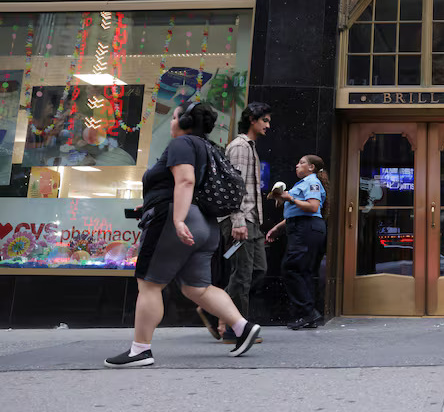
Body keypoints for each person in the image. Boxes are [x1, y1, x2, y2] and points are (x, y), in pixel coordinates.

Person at [105, 101, 260, 367]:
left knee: (150, 284)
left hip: (177, 222)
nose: (172, 122)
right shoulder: (211, 148)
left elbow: (185, 180)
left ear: (185, 121)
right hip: (205, 224)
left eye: (175, 117)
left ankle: (140, 350)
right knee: (196, 287)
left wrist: (177, 218)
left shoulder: (181, 144)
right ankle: (242, 327)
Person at [197, 103, 271, 344]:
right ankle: (234, 330)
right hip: (241, 220)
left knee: (258, 270)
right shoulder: (240, 147)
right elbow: (234, 185)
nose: (268, 125)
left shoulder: (250, 147)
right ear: (252, 119)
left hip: (252, 220)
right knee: (243, 275)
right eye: (265, 120)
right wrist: (238, 220)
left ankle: (213, 308)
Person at [266, 155, 328, 330]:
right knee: (302, 270)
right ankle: (308, 314)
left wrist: (290, 198)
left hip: (306, 229)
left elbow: (313, 207)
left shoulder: (311, 183)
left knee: (291, 268)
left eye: (302, 163)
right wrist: (278, 228)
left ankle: (308, 312)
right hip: (301, 227)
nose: (297, 165)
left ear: (311, 168)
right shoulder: (302, 184)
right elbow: (297, 213)